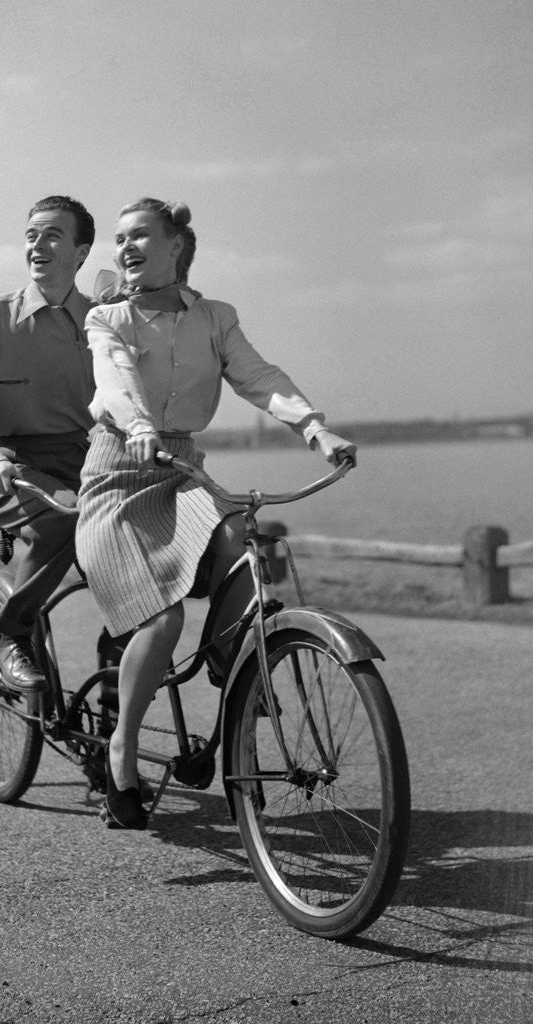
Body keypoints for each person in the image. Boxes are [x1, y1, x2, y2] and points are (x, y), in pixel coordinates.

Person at [75, 198, 357, 829]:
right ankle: (122, 748)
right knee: (163, 618)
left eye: (139, 235)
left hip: (181, 467)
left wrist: (315, 429)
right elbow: (115, 378)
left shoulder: (215, 317)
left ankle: (232, 667)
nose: (124, 248)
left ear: (176, 245)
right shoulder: (107, 317)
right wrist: (139, 426)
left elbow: (259, 376)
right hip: (117, 471)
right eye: (119, 239)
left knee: (242, 536)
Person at [0, 195, 96, 693]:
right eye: (31, 235)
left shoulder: (103, 320)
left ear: (82, 252)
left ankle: (116, 688)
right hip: (8, 466)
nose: (37, 245)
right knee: (67, 519)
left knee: (140, 554)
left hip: (87, 462)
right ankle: (12, 634)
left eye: (52, 235)